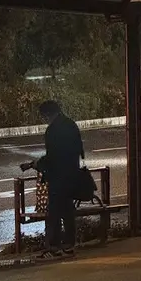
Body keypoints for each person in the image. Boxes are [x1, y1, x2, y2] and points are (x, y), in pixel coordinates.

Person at [36, 100, 84, 260]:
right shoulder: (71, 124)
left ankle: (54, 247)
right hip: (72, 173)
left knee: (54, 213)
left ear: (48, 114)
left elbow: (53, 156)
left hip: (58, 176)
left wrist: (38, 164)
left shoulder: (53, 130)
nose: (44, 120)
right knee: (68, 211)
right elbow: (78, 150)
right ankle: (69, 245)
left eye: (44, 116)